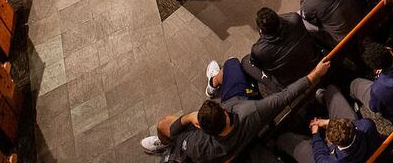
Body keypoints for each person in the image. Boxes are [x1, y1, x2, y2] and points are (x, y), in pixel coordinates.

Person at [141, 57, 331, 157]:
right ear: (224, 111)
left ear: (202, 129)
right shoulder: (252, 111)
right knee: (232, 62)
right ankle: (214, 82)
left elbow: (175, 132)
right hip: (239, 102)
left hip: (228, 119)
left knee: (163, 125)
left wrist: (188, 118)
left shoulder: (200, 145)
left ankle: (165, 145)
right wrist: (314, 75)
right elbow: (285, 96)